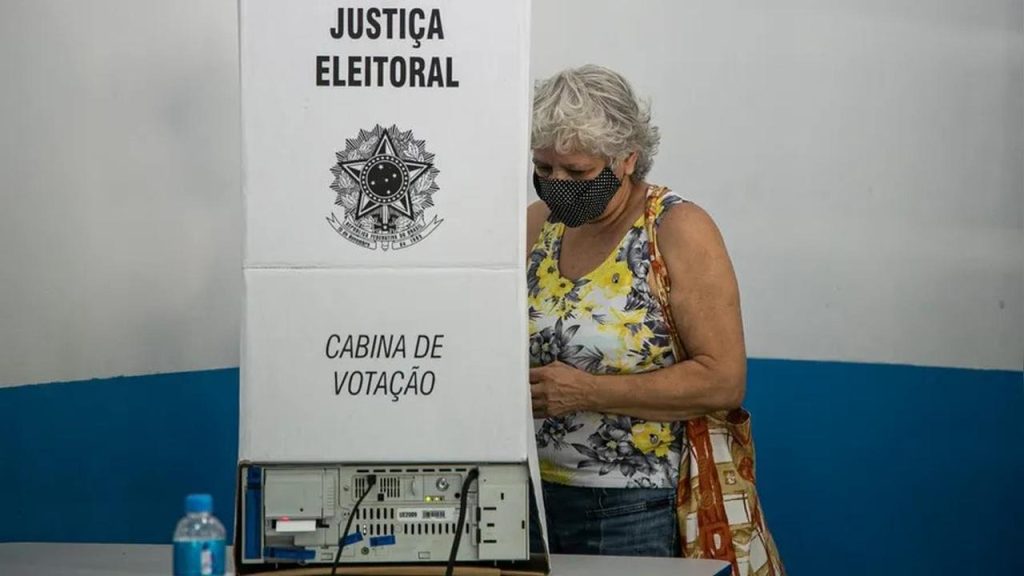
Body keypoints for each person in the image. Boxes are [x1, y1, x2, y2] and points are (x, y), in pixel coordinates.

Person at [527, 65, 781, 573]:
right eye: (544, 168)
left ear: (627, 158)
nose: (557, 185)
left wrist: (587, 392)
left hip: (634, 507)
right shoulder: (538, 224)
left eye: (577, 172)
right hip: (530, 495)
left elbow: (723, 380)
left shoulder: (676, 229)